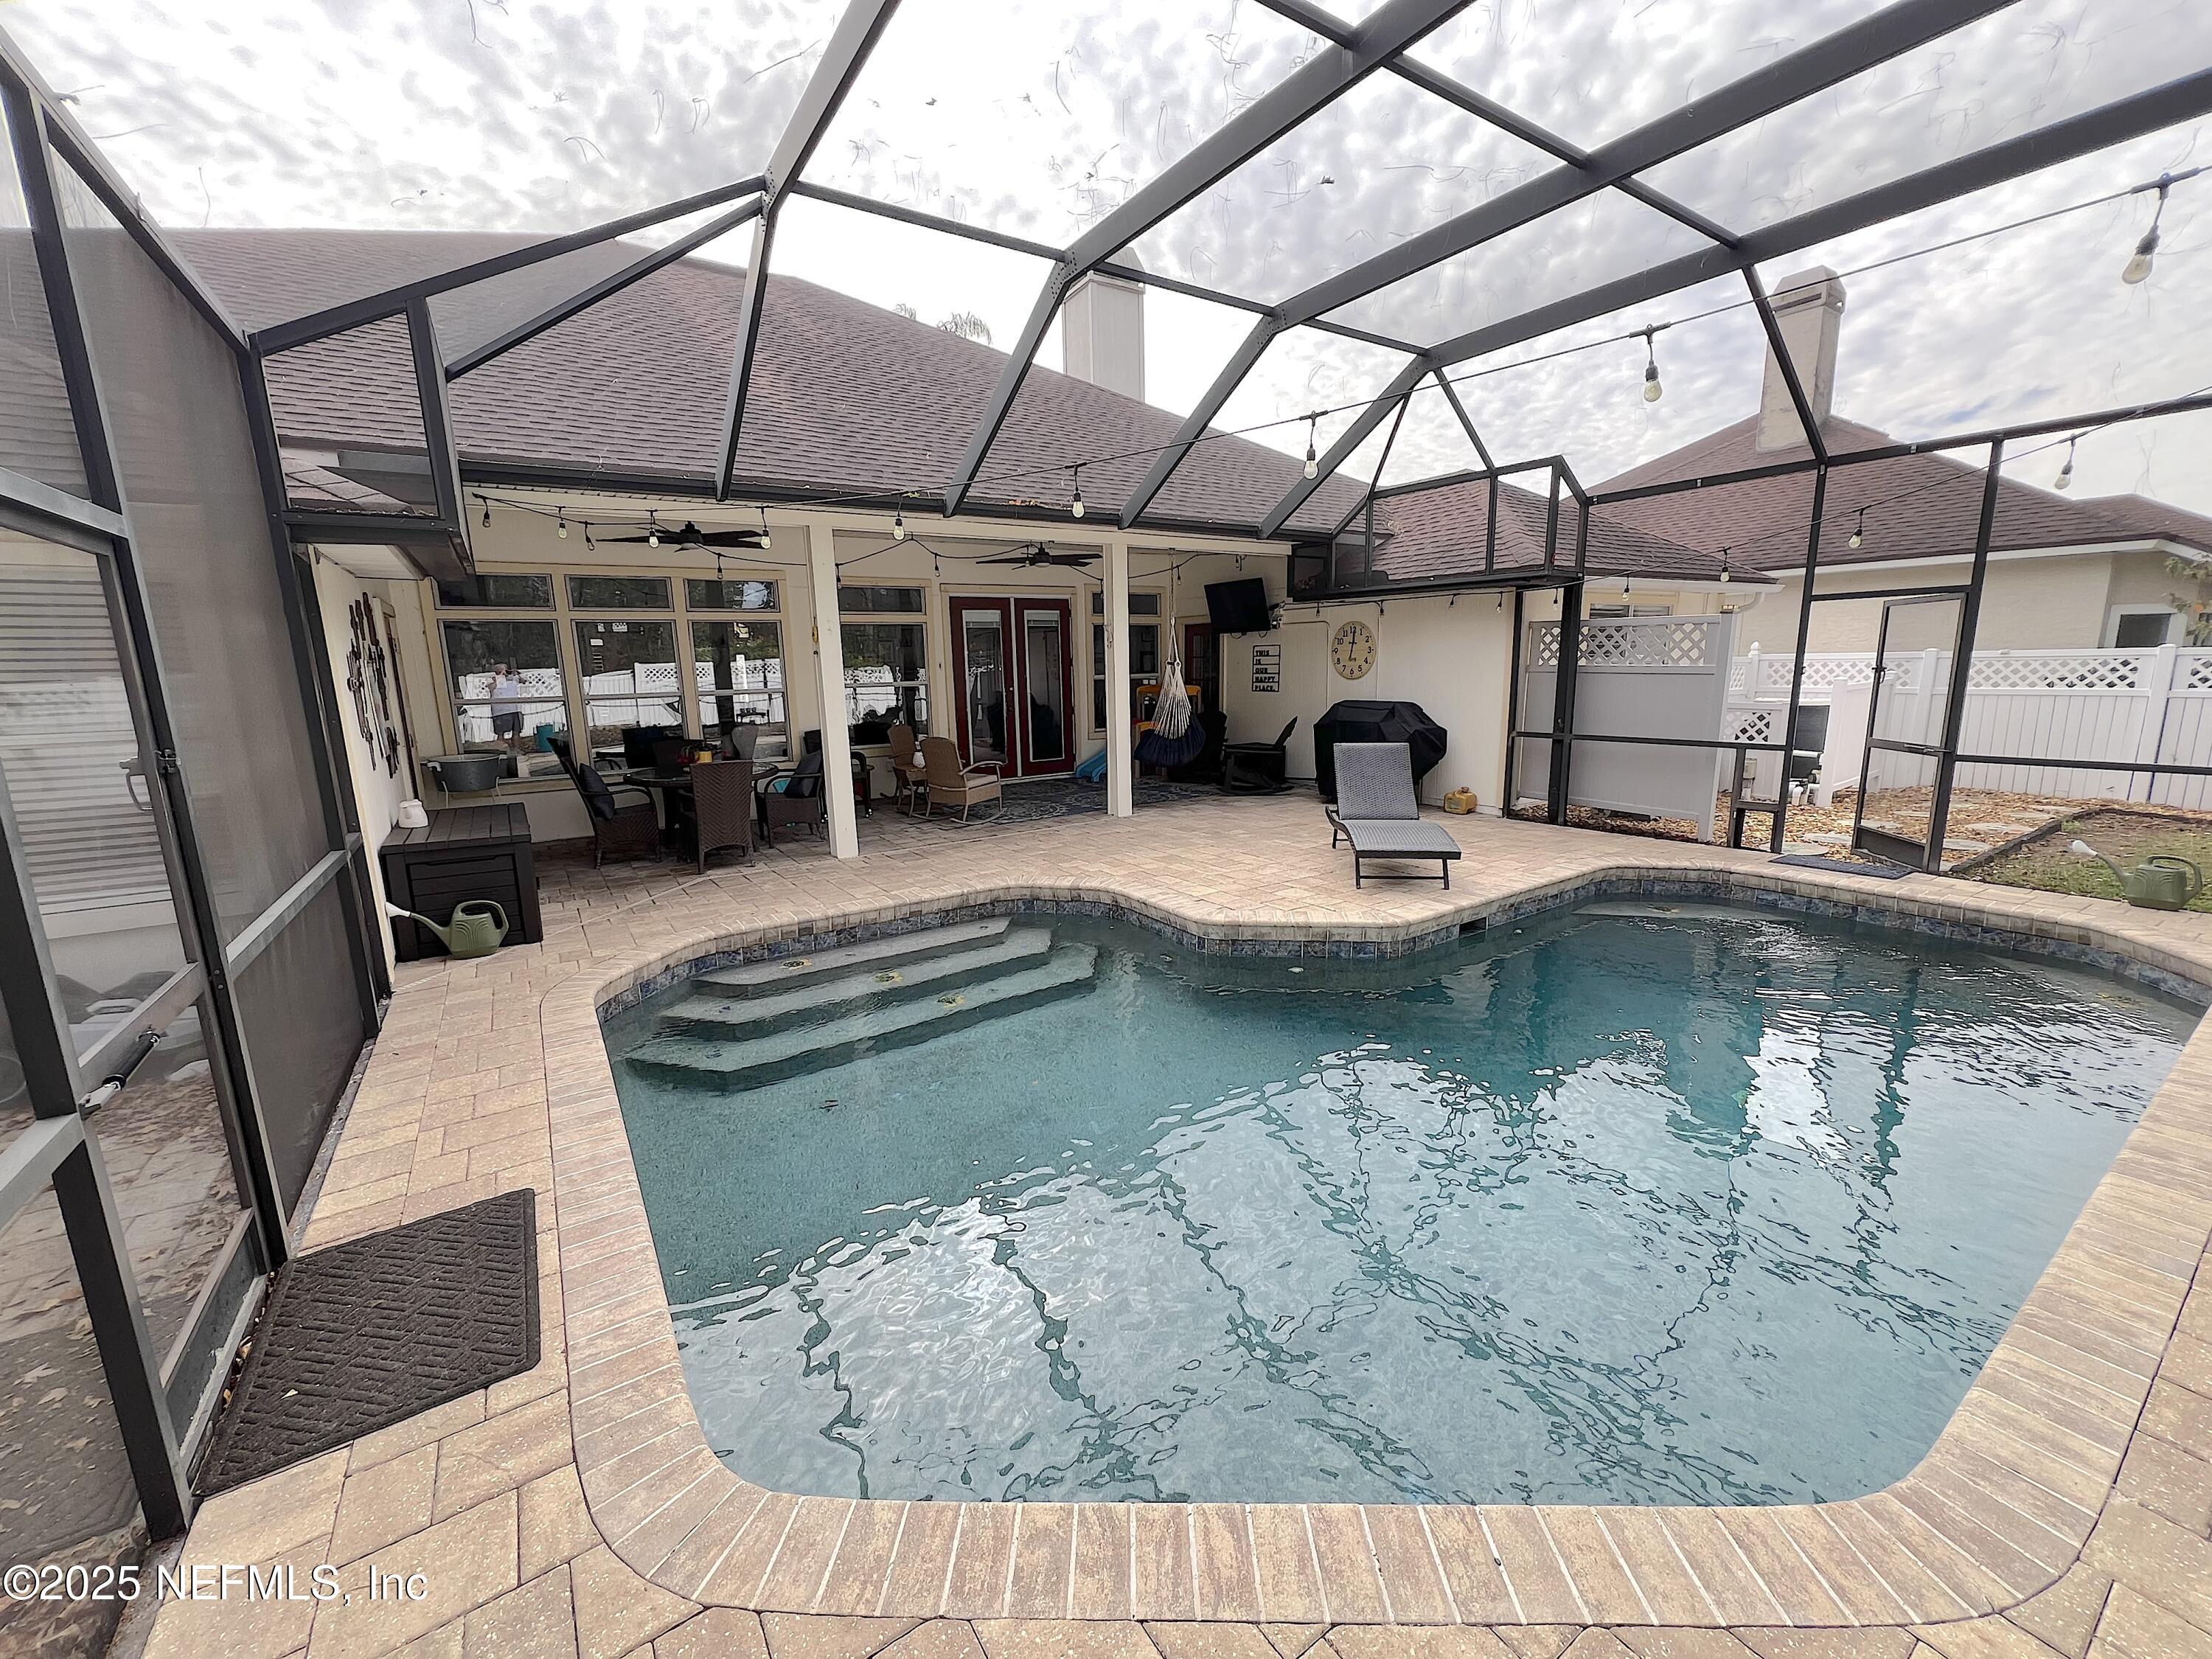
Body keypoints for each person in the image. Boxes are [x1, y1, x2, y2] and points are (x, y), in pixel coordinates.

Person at [489, 661, 525, 748]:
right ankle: (501, 749)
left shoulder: (512, 679)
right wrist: (499, 677)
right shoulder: (493, 679)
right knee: (501, 734)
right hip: (500, 710)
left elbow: (523, 681)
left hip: (514, 708)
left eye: (504, 669)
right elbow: (491, 688)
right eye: (501, 670)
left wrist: (517, 674)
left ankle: (517, 749)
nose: (504, 672)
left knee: (516, 732)